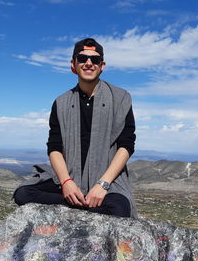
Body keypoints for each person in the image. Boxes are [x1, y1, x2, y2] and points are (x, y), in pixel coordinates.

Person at [13, 38, 137, 218]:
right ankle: (83, 206)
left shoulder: (121, 98)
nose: (88, 63)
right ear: (73, 64)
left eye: (94, 60)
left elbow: (127, 145)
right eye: (82, 58)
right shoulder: (61, 102)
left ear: (102, 65)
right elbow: (54, 147)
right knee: (23, 193)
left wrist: (102, 185)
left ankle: (78, 207)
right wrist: (66, 182)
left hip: (108, 182)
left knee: (119, 209)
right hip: (71, 176)